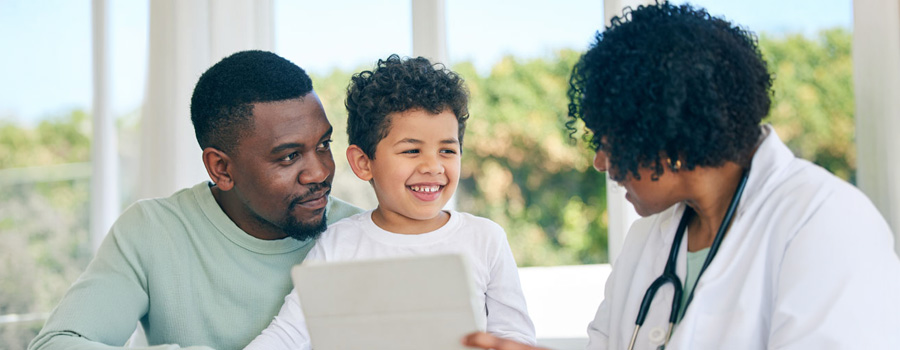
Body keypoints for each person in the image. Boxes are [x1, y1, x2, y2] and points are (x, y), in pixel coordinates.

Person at [464, 2, 900, 350]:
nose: (600, 161)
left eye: (610, 140)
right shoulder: (647, 241)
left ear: (665, 134)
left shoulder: (827, 222)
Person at [28, 50, 364, 350]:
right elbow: (56, 344)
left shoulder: (360, 235)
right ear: (221, 168)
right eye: (290, 157)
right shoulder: (153, 232)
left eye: (323, 145)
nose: (319, 173)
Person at [244, 54, 536, 349]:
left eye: (447, 150)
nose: (433, 166)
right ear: (363, 162)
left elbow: (515, 337)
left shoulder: (485, 239)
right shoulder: (338, 244)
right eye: (412, 151)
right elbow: (289, 334)